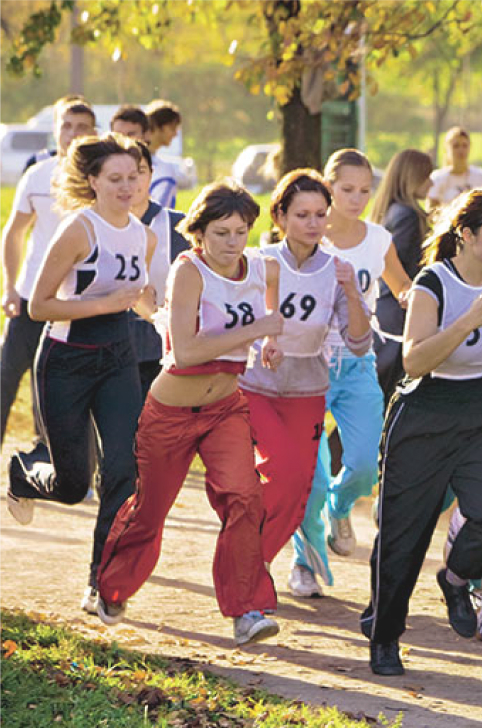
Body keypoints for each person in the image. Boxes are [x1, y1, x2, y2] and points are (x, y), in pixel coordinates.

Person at [95, 180, 283, 645]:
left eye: (240, 231)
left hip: (226, 408)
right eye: (221, 232)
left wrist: (271, 340)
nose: (232, 242)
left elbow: (273, 305)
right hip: (172, 411)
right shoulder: (189, 270)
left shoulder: (259, 266)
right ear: (199, 232)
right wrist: (258, 328)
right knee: (150, 511)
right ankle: (112, 587)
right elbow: (186, 352)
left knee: (244, 497)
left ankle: (247, 611)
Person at [360, 190, 482, 676]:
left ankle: (456, 579)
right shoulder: (431, 283)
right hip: (425, 411)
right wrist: (466, 321)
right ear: (466, 235)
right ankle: (385, 637)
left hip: (481, 406)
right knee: (404, 535)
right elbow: (414, 360)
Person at [6, 134, 157, 614]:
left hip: (118, 359)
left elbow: (146, 299)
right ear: (92, 181)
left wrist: (171, 316)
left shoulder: (143, 233)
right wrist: (104, 304)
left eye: (133, 177)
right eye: (115, 179)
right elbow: (40, 304)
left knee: (123, 471)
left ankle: (101, 585)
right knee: (73, 486)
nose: (127, 187)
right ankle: (23, 474)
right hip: (66, 360)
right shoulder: (78, 229)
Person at [289, 150, 414, 598]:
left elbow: (401, 286)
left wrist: (417, 300)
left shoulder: (378, 239)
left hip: (359, 364)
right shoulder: (308, 235)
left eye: (365, 190)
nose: (358, 198)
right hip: (305, 366)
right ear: (327, 186)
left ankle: (341, 508)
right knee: (311, 476)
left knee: (362, 465)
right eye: (347, 189)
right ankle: (304, 563)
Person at [239, 170, 371, 567]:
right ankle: (249, 562)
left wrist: (350, 290)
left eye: (319, 214)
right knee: (279, 473)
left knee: (300, 487)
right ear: (279, 217)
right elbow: (239, 321)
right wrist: (265, 338)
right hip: (257, 386)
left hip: (308, 390)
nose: (313, 224)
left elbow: (360, 342)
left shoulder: (337, 269)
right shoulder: (258, 263)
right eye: (302, 215)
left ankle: (255, 561)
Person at [1, 96, 95, 445]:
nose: (72, 134)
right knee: (6, 377)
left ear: (93, 132)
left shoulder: (102, 179)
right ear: (56, 130)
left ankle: (62, 464)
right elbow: (13, 233)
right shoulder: (37, 175)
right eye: (66, 126)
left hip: (79, 302)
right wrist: (10, 288)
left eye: (81, 127)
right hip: (30, 296)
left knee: (63, 385)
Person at [123, 141, 190, 402]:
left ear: (151, 173)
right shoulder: (91, 227)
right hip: (109, 353)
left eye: (138, 172)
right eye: (120, 175)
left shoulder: (178, 226)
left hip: (161, 350)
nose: (130, 183)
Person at [369, 149, 434, 393]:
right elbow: (405, 265)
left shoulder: (392, 211)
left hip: (388, 308)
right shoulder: (407, 215)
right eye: (426, 176)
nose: (432, 182)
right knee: (389, 395)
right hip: (399, 312)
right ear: (412, 177)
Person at [428, 127, 482, 208]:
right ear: (447, 148)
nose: (461, 150)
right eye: (456, 146)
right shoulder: (437, 178)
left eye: (464, 145)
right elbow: (431, 211)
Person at [146, 100, 183, 209]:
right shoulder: (142, 162)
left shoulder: (159, 162)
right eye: (172, 128)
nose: (175, 134)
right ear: (158, 127)